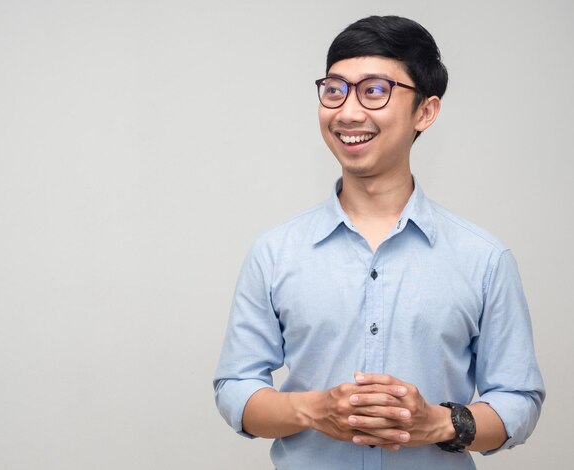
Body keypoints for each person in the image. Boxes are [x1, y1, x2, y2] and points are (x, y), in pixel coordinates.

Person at [213, 15, 545, 469]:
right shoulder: (274, 252)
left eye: (374, 90)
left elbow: (519, 398)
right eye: (335, 89)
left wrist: (437, 423)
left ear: (425, 111)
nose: (348, 112)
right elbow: (235, 386)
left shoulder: (484, 258)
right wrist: (314, 410)